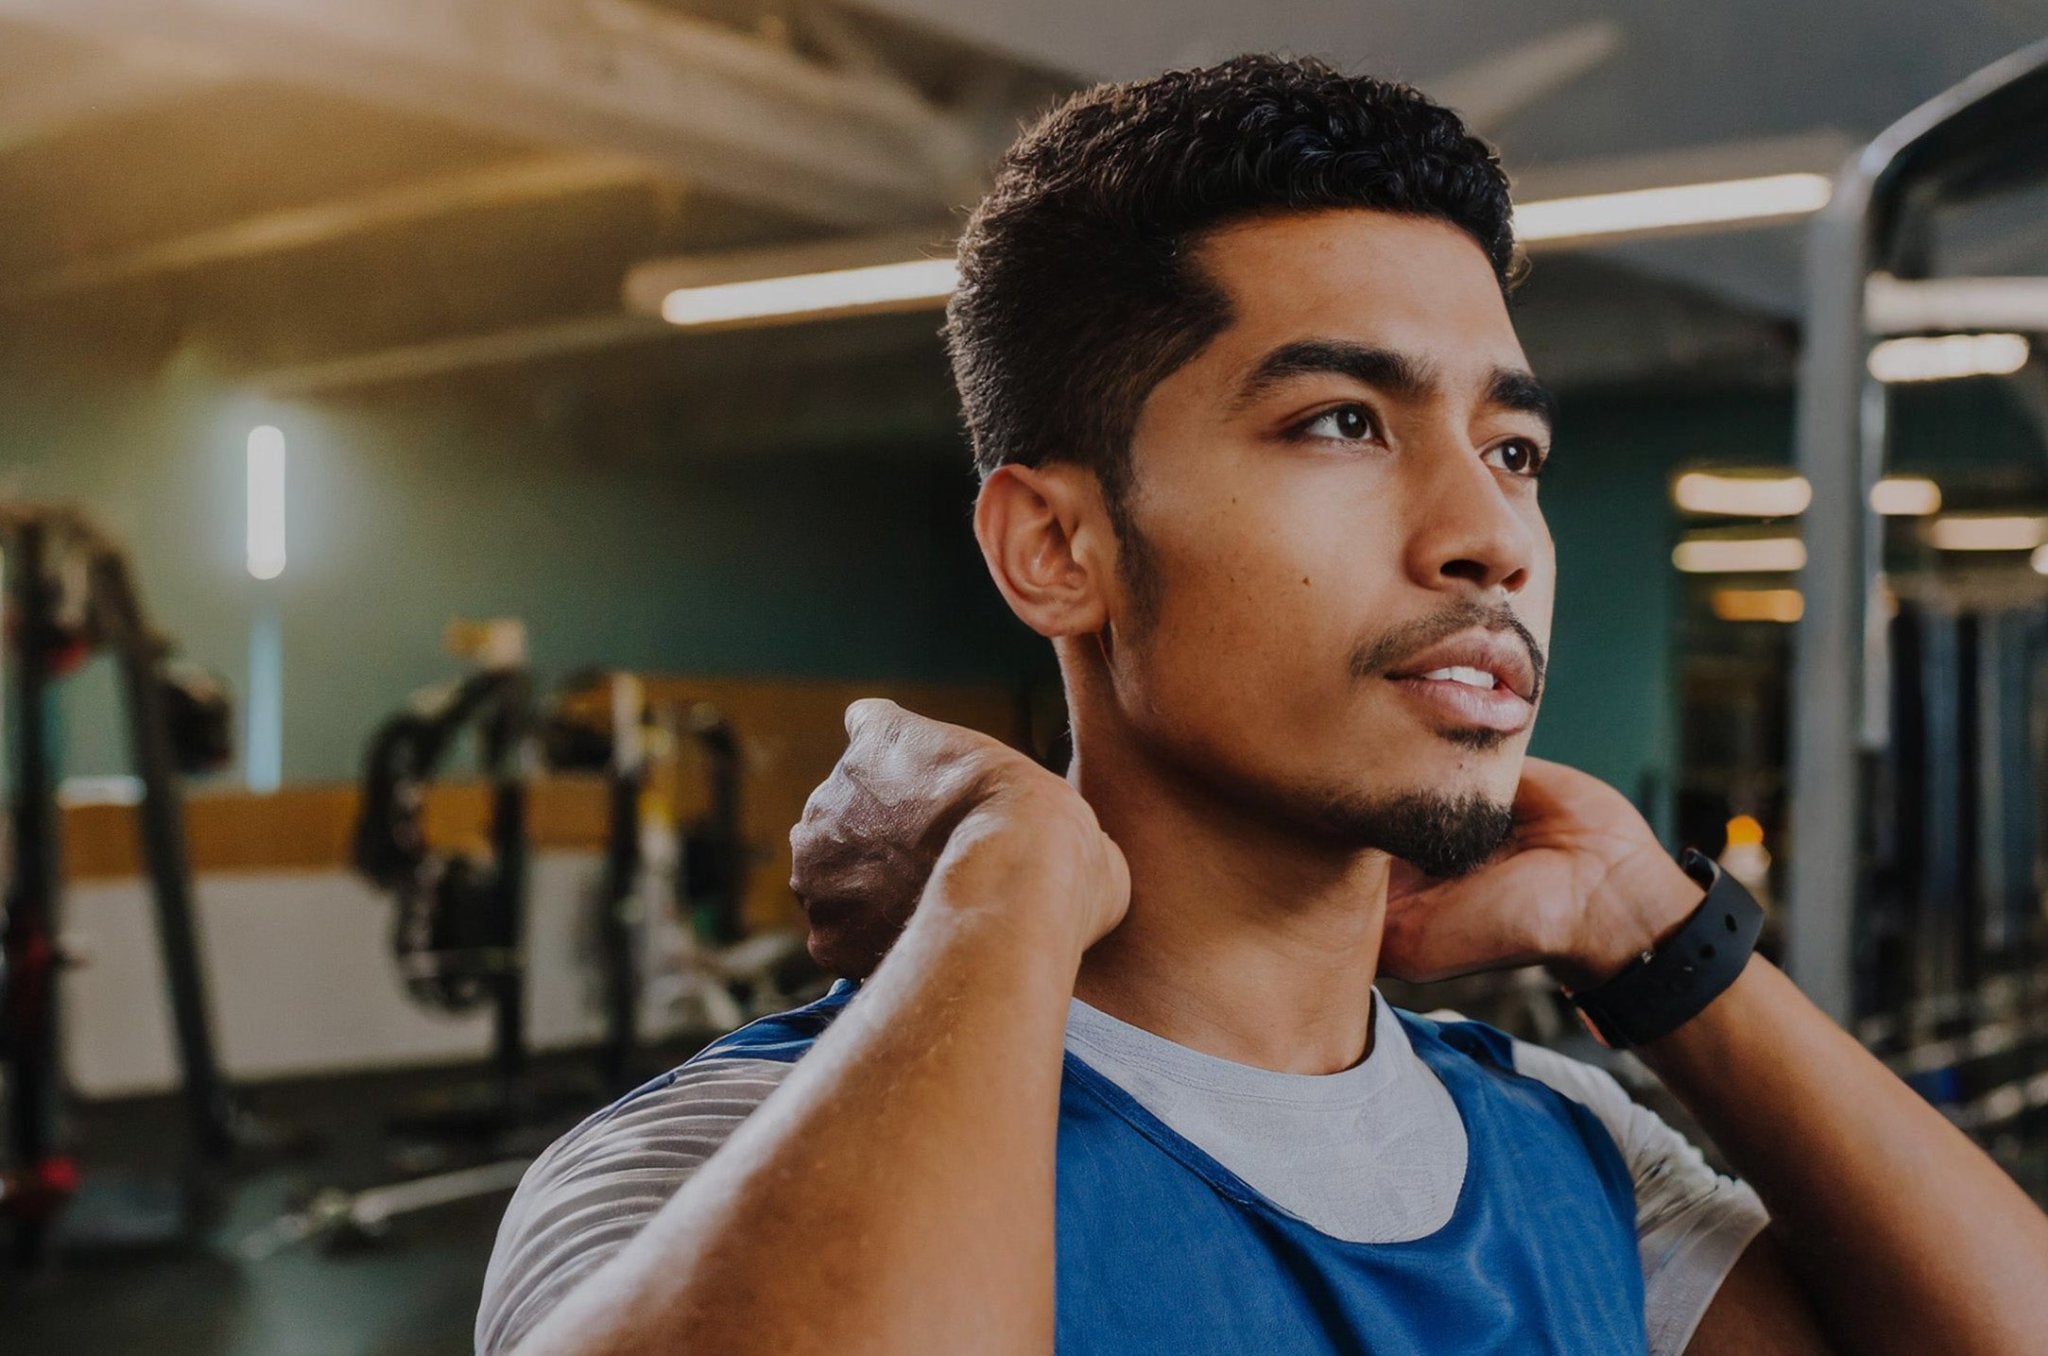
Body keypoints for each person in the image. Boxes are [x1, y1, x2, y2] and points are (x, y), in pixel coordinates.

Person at [476, 55, 2048, 1355]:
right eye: (1343, 421)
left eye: (1513, 451)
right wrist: (1006, 886)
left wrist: (1655, 933)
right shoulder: (707, 1163)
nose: (1491, 534)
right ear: (1060, 545)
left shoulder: (1570, 1156)